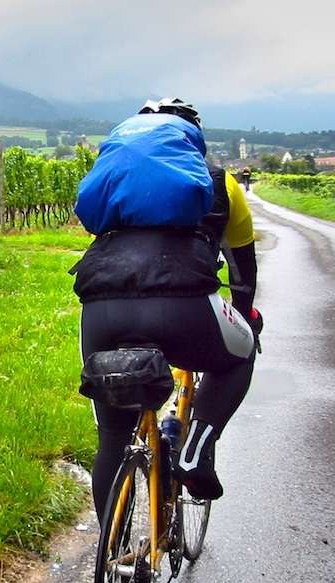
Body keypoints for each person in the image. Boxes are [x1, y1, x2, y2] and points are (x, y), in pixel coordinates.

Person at [72, 98, 262, 519]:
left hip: (103, 311)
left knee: (113, 437)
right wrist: (245, 315)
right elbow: (243, 273)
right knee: (241, 354)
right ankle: (195, 450)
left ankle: (114, 557)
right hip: (185, 309)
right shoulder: (220, 183)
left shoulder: (114, 185)